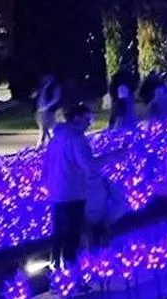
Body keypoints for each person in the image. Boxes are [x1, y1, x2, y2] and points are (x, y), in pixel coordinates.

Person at [44, 103, 123, 267]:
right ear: (76, 118)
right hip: (72, 193)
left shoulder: (57, 138)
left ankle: (57, 271)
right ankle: (72, 273)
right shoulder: (76, 138)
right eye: (88, 119)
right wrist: (114, 155)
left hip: (56, 194)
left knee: (59, 236)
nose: (89, 124)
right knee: (72, 237)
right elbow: (89, 166)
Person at [35, 74, 63, 146]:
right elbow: (39, 96)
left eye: (46, 77)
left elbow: (56, 98)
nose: (43, 79)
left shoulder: (55, 86)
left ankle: (43, 142)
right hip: (41, 109)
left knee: (46, 126)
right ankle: (48, 141)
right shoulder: (43, 86)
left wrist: (47, 106)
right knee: (43, 127)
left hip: (50, 110)